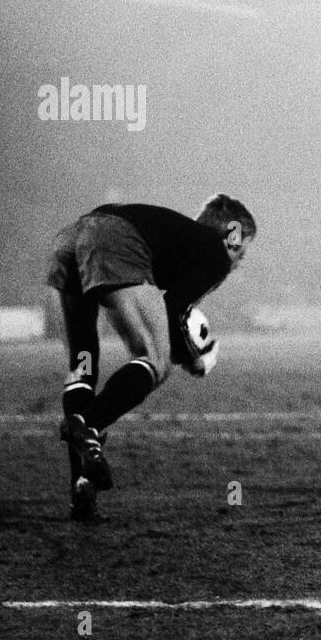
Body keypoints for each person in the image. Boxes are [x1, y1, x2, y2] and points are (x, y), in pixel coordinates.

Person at [46, 194, 255, 519]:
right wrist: (194, 357)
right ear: (231, 234)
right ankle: (88, 425)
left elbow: (170, 307)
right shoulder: (216, 254)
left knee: (82, 363)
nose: (240, 259)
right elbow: (175, 308)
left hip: (71, 239)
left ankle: (81, 488)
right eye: (241, 247)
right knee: (155, 361)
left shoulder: (179, 239)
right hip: (112, 238)